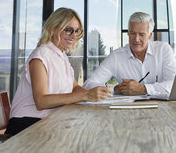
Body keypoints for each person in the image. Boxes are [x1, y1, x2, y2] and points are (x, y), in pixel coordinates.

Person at [6, 7, 110, 135]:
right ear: (53, 29)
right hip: (26, 124)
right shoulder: (40, 56)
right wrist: (87, 96)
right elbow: (41, 101)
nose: (74, 36)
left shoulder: (61, 56)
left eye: (77, 31)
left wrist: (97, 97)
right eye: (68, 30)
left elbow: (74, 87)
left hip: (49, 120)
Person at [84, 12, 176, 96]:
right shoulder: (116, 56)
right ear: (128, 33)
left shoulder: (163, 49)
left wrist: (144, 89)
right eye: (133, 33)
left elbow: (175, 84)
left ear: (150, 35)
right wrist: (115, 89)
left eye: (141, 34)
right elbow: (89, 84)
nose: (136, 39)